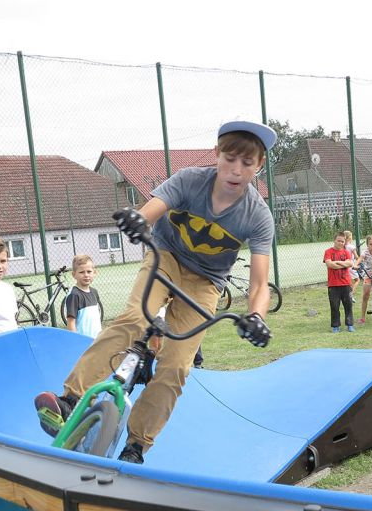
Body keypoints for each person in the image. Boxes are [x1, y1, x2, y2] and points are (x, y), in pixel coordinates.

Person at [34, 119, 276, 464]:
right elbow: (150, 212)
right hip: (165, 258)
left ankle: (136, 446)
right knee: (134, 318)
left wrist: (257, 316)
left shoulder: (258, 215)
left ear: (259, 166)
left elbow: (258, 283)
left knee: (177, 365)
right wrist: (138, 221)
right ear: (217, 155)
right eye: (229, 159)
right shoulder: (191, 180)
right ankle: (70, 399)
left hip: (206, 282)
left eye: (247, 163)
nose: (236, 170)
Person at [64, 254, 102, 338]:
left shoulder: (94, 292)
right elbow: (71, 323)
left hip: (95, 341)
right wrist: (76, 342)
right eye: (81, 272)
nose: (86, 275)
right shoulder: (74, 295)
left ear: (94, 272)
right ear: (74, 274)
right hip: (83, 344)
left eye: (89, 271)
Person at [323, 231, 354, 332]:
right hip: (333, 285)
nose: (341, 243)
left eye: (343, 241)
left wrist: (337, 262)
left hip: (346, 283)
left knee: (348, 305)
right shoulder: (328, 252)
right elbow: (330, 264)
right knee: (334, 306)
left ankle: (350, 325)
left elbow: (350, 263)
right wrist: (343, 264)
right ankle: (335, 326)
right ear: (334, 240)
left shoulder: (346, 252)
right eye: (339, 241)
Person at [343, 230, 359, 301]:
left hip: (344, 266)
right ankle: (351, 294)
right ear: (349, 238)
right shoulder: (352, 247)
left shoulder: (342, 247)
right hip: (351, 266)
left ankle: (347, 296)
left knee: (349, 282)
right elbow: (356, 257)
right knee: (357, 280)